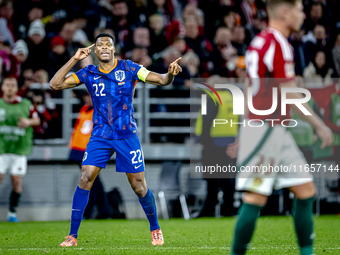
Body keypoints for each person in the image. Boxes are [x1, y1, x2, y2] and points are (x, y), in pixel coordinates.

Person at [49, 32, 182, 247]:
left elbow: (161, 80)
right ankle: (72, 236)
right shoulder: (88, 72)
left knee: (139, 186)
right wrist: (74, 58)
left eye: (107, 44)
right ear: (95, 50)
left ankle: (155, 229)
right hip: (100, 135)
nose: (103, 47)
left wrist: (170, 74)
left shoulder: (130, 68)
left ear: (113, 49)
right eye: (99, 45)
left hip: (126, 134)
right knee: (85, 177)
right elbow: (54, 85)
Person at [230, 1, 333, 255]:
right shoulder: (278, 43)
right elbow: (289, 93)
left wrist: (244, 127)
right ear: (285, 13)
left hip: (270, 128)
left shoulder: (259, 41)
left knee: (306, 190)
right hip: (265, 129)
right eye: (299, 9)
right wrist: (320, 126)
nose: (303, 14)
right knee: (256, 197)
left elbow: (250, 89)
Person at [0, 77, 40, 222]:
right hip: (1, 149)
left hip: (19, 149)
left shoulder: (25, 104)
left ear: (17, 88)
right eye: (7, 85)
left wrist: (28, 121)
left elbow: (37, 120)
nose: (10, 87)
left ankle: (12, 213)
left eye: (13, 85)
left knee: (16, 182)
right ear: (3, 87)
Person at [68, 90, 109, 219]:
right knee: (94, 182)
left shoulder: (99, 111)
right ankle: (104, 211)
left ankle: (89, 212)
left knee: (90, 182)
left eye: (89, 96)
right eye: (85, 96)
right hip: (78, 150)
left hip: (89, 150)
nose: (87, 99)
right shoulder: (85, 108)